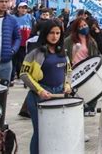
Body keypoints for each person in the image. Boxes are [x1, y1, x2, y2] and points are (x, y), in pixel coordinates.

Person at [20, 19, 72, 154]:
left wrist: (67, 85)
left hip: (59, 95)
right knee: (40, 132)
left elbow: (69, 71)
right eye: (51, 33)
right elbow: (24, 74)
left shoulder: (63, 52)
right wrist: (39, 90)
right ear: (45, 34)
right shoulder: (35, 53)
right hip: (39, 96)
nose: (55, 36)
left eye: (58, 33)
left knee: (56, 131)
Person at [64, 18, 99, 115]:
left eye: (85, 25)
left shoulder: (91, 41)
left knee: (91, 88)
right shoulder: (69, 41)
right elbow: (65, 54)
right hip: (73, 69)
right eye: (80, 26)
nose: (83, 27)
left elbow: (95, 54)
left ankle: (91, 107)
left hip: (88, 69)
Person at [12, 2, 35, 83]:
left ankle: (21, 76)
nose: (24, 9)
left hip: (25, 43)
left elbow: (33, 29)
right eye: (22, 7)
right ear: (18, 9)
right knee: (14, 60)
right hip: (15, 43)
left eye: (25, 8)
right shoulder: (13, 18)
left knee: (23, 60)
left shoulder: (30, 18)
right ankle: (12, 77)